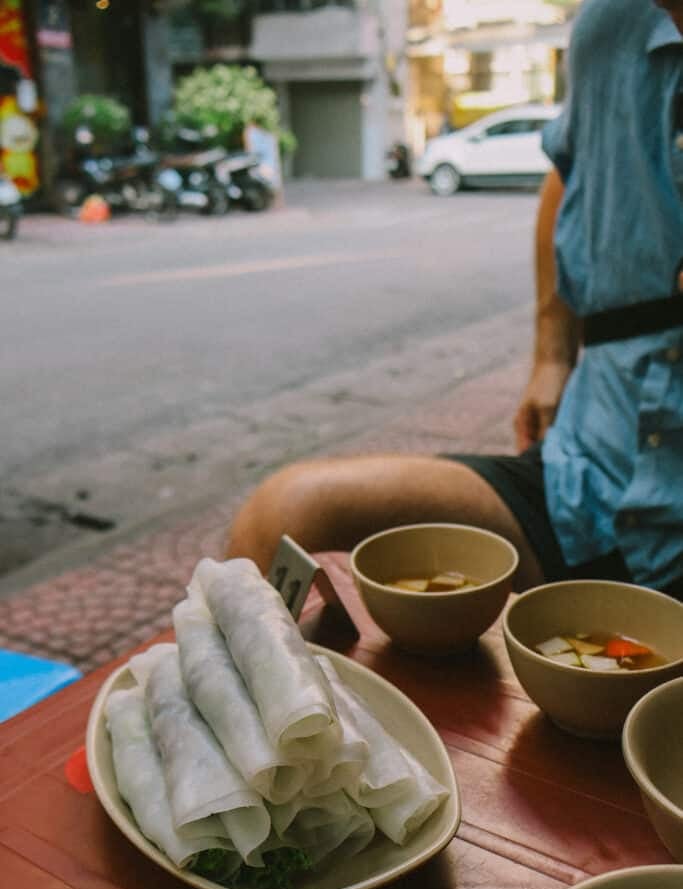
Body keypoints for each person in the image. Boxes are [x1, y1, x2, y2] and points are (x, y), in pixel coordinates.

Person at [226, 0, 683, 600]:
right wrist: (551, 352)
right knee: (284, 516)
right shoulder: (611, 25)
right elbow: (569, 171)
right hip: (582, 486)